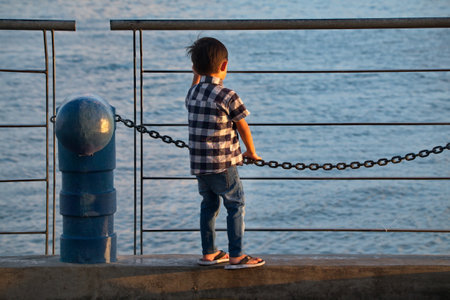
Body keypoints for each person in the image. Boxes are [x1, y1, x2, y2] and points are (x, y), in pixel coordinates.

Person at [185, 37, 265, 269]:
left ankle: (209, 254)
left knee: (208, 205)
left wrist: (196, 75)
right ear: (224, 66)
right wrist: (252, 152)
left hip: (199, 164)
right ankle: (237, 256)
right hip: (223, 164)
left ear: (195, 68)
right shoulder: (228, 95)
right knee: (235, 204)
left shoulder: (192, 94)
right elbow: (242, 126)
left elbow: (195, 84)